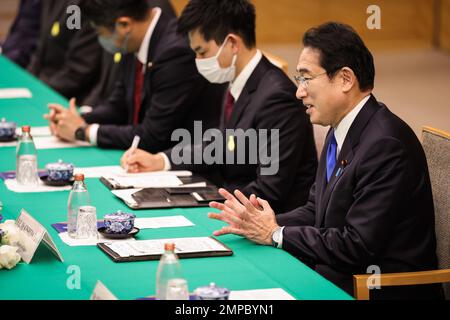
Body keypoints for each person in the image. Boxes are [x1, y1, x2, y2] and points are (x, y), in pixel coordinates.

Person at [207, 22, 442, 300]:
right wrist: (261, 223)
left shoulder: (385, 145)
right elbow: (315, 211)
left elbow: (357, 245)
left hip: (376, 288)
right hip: (340, 274)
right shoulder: (339, 128)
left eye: (306, 78)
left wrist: (276, 233)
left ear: (345, 79)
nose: (299, 92)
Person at [120, 0, 318, 213]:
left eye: (202, 52)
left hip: (270, 221)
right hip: (232, 202)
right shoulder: (236, 79)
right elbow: (222, 144)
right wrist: (160, 160)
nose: (198, 61)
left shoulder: (277, 98)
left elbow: (269, 190)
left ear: (232, 43)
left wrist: (205, 203)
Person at [45, 0, 224, 152]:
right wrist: (77, 119)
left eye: (99, 32)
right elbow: (118, 105)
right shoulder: (134, 40)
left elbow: (152, 136)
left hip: (185, 161)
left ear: (124, 25)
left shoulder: (175, 52)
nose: (100, 39)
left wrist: (83, 131)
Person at [28, 0, 102, 105]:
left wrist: (39, 91)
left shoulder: (80, 7)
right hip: (43, 84)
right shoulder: (52, 3)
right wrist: (29, 81)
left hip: (67, 96)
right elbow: (41, 49)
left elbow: (77, 71)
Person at [0, 0, 41, 68]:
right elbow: (17, 34)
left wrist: (5, 58)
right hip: (11, 54)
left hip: (20, 63)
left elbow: (29, 42)